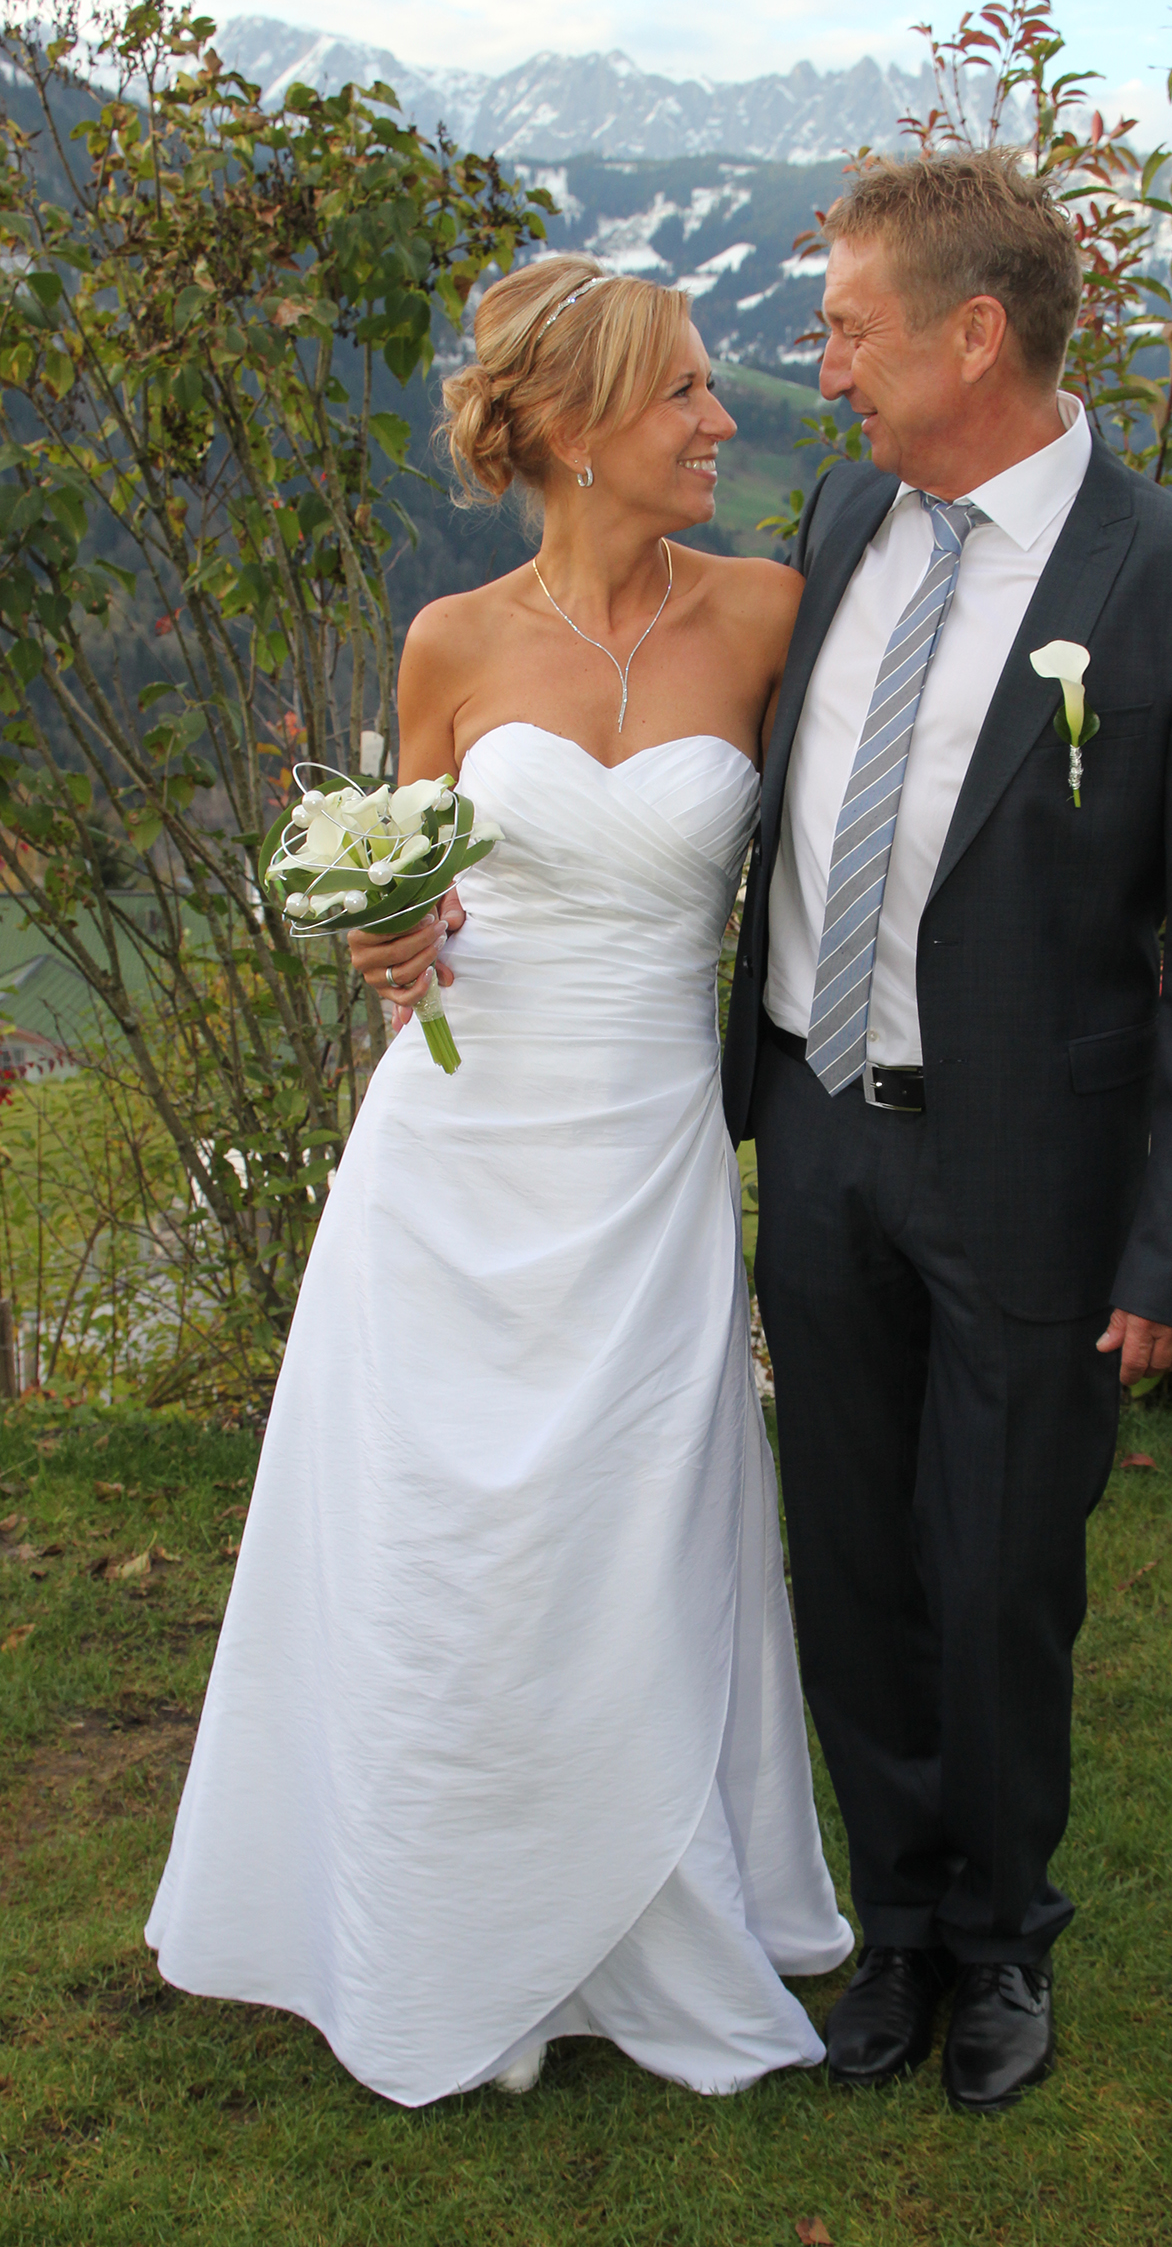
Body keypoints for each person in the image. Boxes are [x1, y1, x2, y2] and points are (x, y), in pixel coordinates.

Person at [145, 256, 852, 2107]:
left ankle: (657, 1910)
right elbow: (412, 880)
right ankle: (441, 1920)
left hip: (645, 1157)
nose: (722, 418)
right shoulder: (450, 643)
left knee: (637, 1524)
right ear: (570, 429)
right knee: (444, 1536)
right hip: (454, 1164)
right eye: (683, 390)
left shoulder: (768, 613)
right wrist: (388, 937)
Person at [721, 150, 1172, 2113]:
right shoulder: (844, 516)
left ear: (974, 335)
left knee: (995, 1577)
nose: (824, 369)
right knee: (847, 1558)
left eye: (849, 331)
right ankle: (892, 1925)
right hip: (816, 1133)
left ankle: (1000, 1937)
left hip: (1033, 1177)